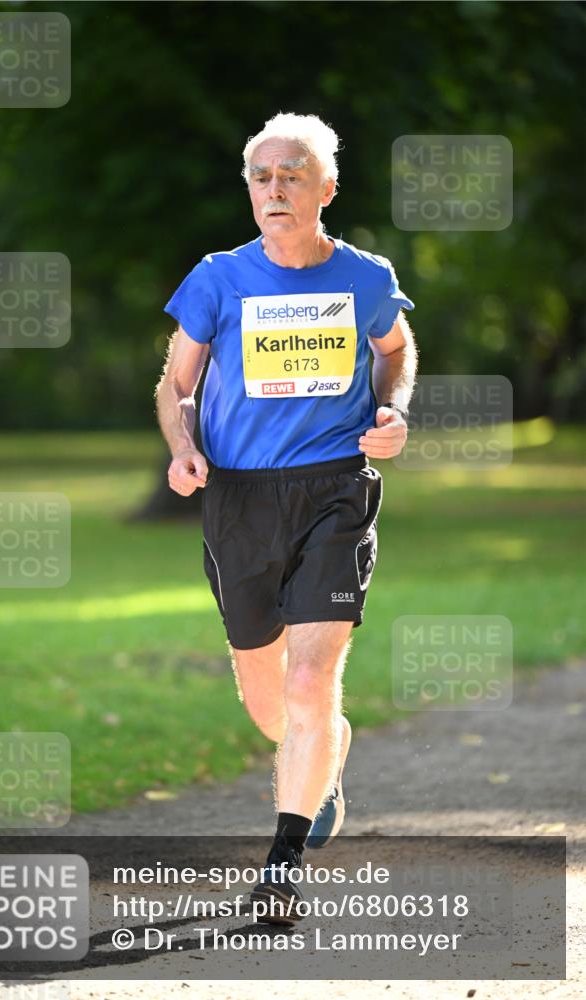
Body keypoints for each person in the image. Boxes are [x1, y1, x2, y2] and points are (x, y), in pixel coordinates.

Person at [156, 112, 417, 924]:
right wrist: (182, 447)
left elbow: (394, 351)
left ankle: (281, 861)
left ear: (325, 188)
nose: (275, 188)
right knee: (273, 703)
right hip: (238, 496)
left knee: (311, 679)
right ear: (249, 191)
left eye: (292, 174)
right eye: (262, 176)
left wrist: (392, 409)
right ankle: (322, 755)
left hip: (336, 485)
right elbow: (175, 385)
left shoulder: (365, 278)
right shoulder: (217, 278)